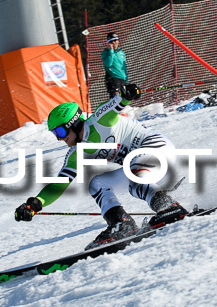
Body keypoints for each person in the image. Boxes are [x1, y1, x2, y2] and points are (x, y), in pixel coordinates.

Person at [14, 85, 188, 250]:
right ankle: (121, 224)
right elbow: (59, 184)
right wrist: (35, 204)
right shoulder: (77, 153)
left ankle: (168, 207)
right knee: (97, 184)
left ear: (73, 124)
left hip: (158, 149)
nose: (59, 139)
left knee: (134, 175)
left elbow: (115, 104)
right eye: (55, 135)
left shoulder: (99, 121)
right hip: (142, 167)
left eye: (60, 132)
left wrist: (126, 94)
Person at [101, 32, 128, 98]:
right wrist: (111, 51)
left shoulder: (121, 52)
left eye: (115, 40)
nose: (113, 43)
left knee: (125, 98)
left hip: (122, 78)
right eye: (111, 41)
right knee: (115, 99)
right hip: (113, 78)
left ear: (118, 41)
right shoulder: (105, 52)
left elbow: (124, 67)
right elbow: (108, 64)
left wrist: (126, 79)